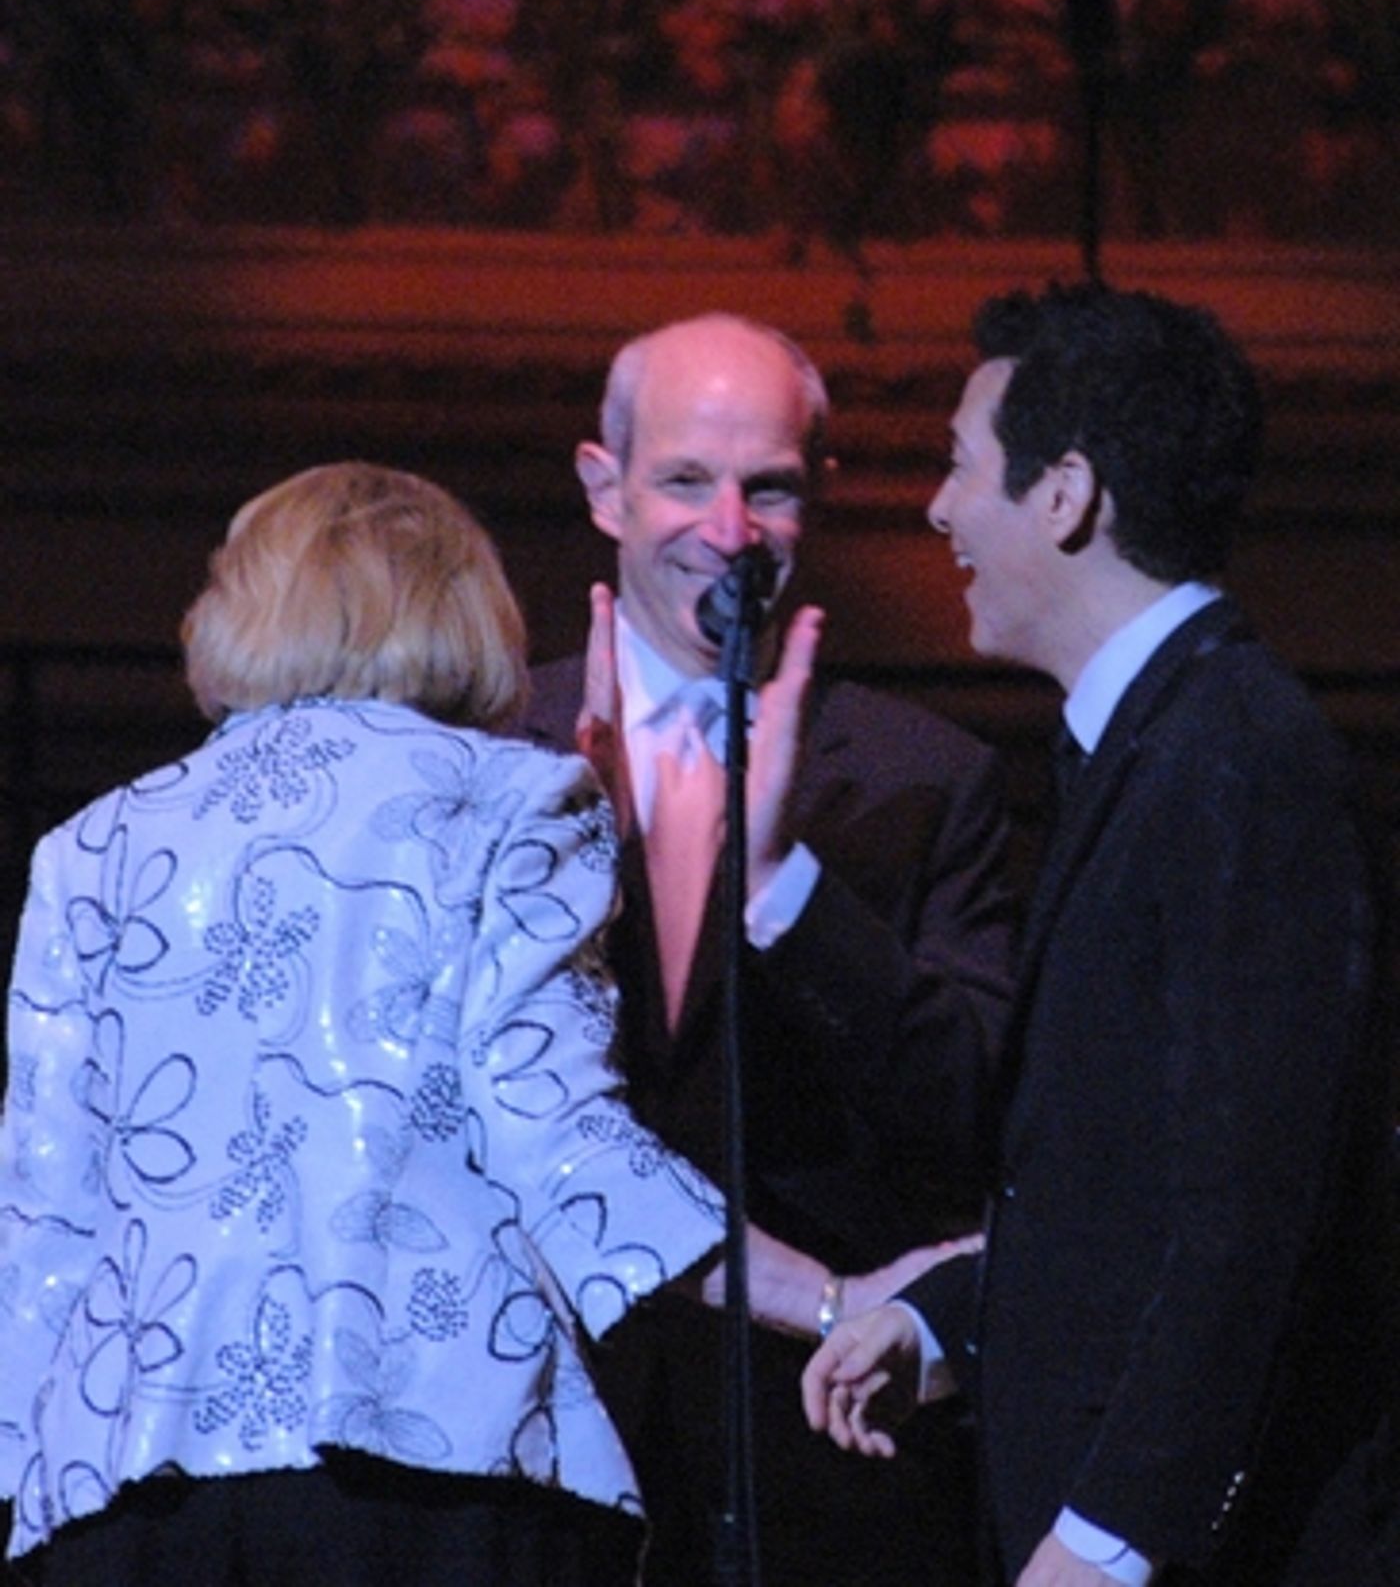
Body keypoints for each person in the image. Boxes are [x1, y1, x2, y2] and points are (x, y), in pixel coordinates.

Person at [0, 461, 901, 1587]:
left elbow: (39, 1220)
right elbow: (559, 1141)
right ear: (465, 612)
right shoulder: (517, 800)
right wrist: (832, 1298)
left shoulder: (88, 847)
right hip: (430, 1466)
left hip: (119, 1489)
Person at [804, 283, 1399, 1585]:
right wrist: (946, 1316)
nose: (938, 509)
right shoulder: (1152, 748)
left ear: (1064, 493)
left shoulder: (1236, 760)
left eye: (961, 467)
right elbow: (1111, 1181)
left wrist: (1112, 1533)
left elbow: (1252, 1215)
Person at [523, 312, 1017, 1586]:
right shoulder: (488, 744)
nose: (728, 530)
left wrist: (785, 881)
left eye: (769, 488)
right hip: (539, 1433)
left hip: (814, 1455)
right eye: (684, 479)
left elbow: (971, 1111)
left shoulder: (926, 776)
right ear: (603, 491)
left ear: (819, 499)